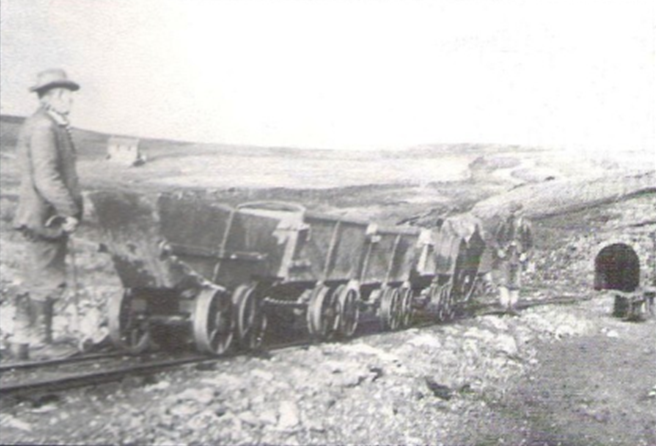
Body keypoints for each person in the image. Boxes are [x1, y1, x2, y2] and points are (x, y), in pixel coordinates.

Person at [10, 69, 83, 359]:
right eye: (65, 95)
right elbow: (47, 178)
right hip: (47, 217)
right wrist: (70, 211)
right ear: (51, 97)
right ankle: (41, 343)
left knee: (35, 276)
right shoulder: (44, 127)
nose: (70, 101)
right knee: (46, 278)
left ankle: (21, 341)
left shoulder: (45, 124)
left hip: (40, 215)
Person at [492, 203, 533, 314]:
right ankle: (504, 305)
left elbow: (531, 244)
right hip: (506, 255)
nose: (513, 214)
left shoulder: (526, 225)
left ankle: (513, 305)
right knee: (503, 280)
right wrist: (499, 250)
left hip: (519, 256)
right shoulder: (504, 223)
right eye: (511, 211)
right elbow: (495, 240)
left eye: (515, 211)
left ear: (521, 212)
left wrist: (526, 254)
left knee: (516, 281)